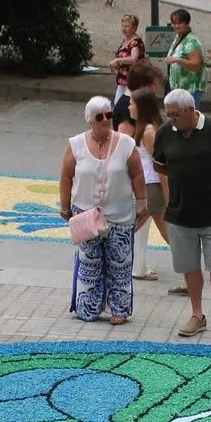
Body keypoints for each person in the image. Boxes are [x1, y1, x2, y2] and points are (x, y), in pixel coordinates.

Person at [154, 89, 211, 344]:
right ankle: (197, 315)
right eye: (168, 114)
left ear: (190, 110)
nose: (171, 119)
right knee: (190, 268)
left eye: (175, 114)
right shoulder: (165, 133)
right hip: (179, 212)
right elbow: (158, 164)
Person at [61, 96, 147, 325]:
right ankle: (88, 308)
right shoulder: (76, 144)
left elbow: (138, 174)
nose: (106, 120)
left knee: (120, 265)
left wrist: (142, 204)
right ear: (90, 120)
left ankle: (120, 310)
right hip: (87, 217)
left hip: (120, 216)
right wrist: (64, 207)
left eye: (109, 114)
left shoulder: (126, 144)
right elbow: (66, 177)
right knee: (89, 265)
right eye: (100, 117)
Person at [121, 87, 170, 282]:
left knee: (165, 230)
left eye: (131, 103)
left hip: (153, 187)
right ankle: (138, 266)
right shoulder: (146, 129)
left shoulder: (149, 133)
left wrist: (167, 194)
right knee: (141, 226)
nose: (128, 107)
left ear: (140, 107)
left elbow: (162, 165)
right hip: (149, 186)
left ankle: (189, 268)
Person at [164, 9, 207, 108]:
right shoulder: (178, 37)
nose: (176, 26)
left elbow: (196, 66)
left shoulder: (191, 41)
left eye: (180, 23)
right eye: (174, 23)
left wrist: (177, 60)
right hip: (179, 88)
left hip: (191, 89)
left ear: (187, 23)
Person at [108, 15, 146, 100]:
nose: (124, 29)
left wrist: (118, 60)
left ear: (134, 28)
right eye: (122, 26)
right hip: (123, 81)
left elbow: (133, 59)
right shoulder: (125, 40)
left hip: (132, 81)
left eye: (127, 26)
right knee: (118, 105)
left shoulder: (135, 42)